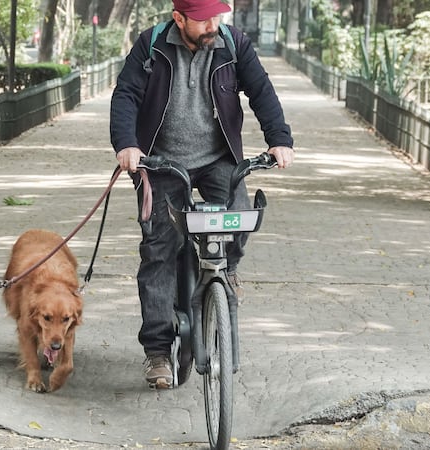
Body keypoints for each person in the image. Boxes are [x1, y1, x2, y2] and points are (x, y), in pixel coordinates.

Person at [109, 0, 295, 389]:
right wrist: (127, 144)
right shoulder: (151, 45)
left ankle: (226, 272)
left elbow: (261, 90)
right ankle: (158, 351)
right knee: (160, 247)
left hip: (217, 158)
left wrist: (279, 139)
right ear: (179, 19)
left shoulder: (232, 43)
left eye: (217, 15)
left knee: (240, 216)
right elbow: (125, 95)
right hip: (160, 161)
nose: (213, 24)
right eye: (203, 18)